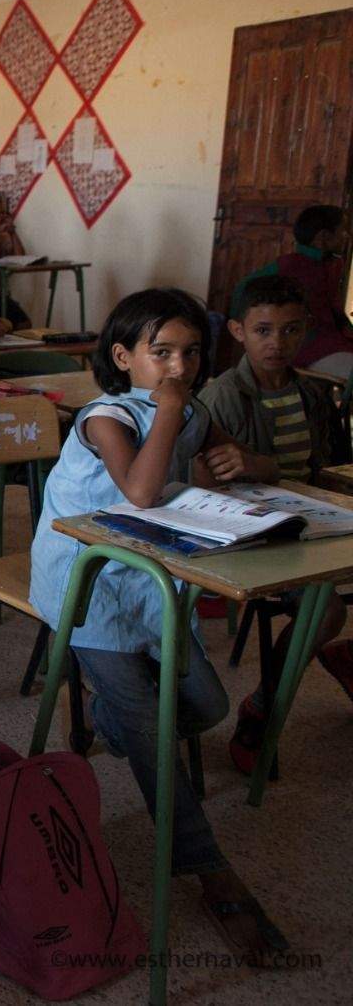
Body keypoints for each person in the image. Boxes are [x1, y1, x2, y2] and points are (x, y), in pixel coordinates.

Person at [28, 287, 290, 965]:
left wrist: (245, 464)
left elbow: (253, 463)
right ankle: (211, 873)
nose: (179, 367)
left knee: (206, 705)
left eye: (191, 353)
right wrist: (171, 413)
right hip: (89, 588)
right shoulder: (104, 417)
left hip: (153, 585)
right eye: (161, 353)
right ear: (124, 357)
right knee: (152, 734)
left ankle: (102, 721)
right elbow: (140, 492)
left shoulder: (193, 409)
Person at [200, 274, 353, 768]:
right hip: (257, 536)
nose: (278, 343)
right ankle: (263, 705)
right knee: (328, 612)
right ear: (238, 332)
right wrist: (258, 470)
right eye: (264, 330)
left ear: (307, 329)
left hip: (314, 520)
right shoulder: (223, 396)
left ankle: (346, 656)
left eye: (290, 331)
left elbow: (323, 469)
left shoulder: (311, 394)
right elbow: (200, 489)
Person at [231, 205, 351, 378]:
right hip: (307, 348)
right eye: (343, 231)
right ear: (324, 237)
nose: (347, 236)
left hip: (328, 342)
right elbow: (242, 290)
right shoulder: (291, 266)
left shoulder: (331, 265)